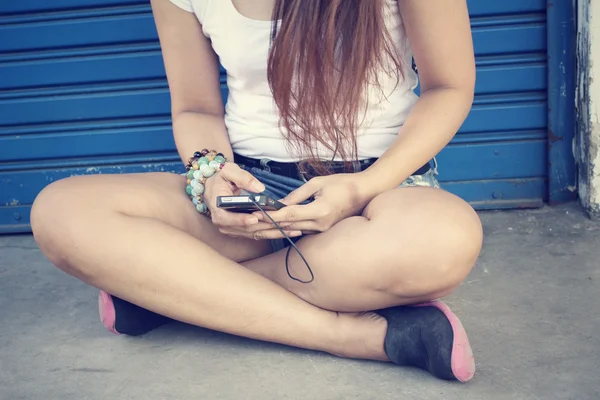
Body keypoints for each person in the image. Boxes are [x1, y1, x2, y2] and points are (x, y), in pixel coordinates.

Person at [31, 0, 482, 382]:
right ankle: (350, 335)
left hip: (382, 188)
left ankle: (175, 297)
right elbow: (195, 107)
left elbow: (450, 86)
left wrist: (364, 186)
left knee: (444, 241)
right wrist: (210, 174)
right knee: (62, 213)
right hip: (256, 191)